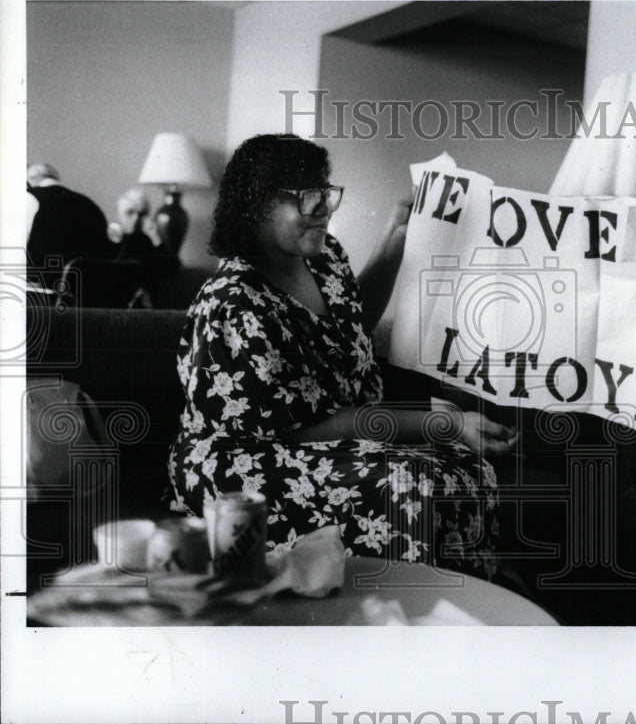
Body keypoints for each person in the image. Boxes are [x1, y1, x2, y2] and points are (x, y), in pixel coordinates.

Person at [167, 134, 517, 580]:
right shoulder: (233, 301)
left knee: (467, 467)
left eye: (324, 191)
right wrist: (432, 420)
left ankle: (459, 602)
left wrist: (394, 241)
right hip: (242, 460)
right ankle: (396, 617)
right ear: (254, 206)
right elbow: (296, 427)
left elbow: (350, 324)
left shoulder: (323, 256)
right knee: (408, 484)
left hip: (322, 434)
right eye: (302, 196)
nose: (322, 207)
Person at [26, 162, 109, 277]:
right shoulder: (88, 204)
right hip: (87, 285)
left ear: (27, 182)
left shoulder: (28, 198)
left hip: (40, 287)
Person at [107, 187, 179, 306]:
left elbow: (171, 272)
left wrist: (155, 237)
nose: (136, 218)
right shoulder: (110, 239)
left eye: (141, 214)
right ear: (119, 214)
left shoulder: (148, 241)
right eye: (129, 213)